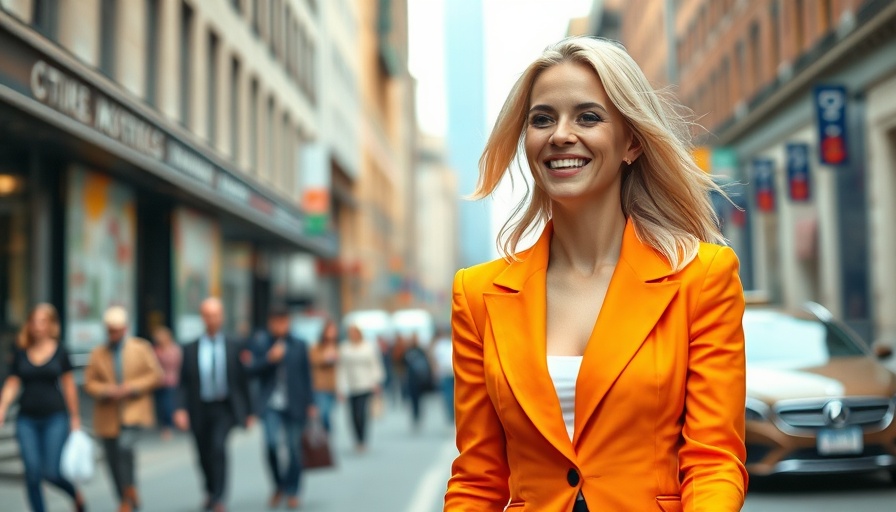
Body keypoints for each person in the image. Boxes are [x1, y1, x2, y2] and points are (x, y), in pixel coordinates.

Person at [443, 37, 747, 512]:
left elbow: (713, 462)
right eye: (542, 119)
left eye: (588, 117)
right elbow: (478, 477)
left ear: (631, 142)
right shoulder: (477, 294)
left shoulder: (701, 276)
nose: (561, 134)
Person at [0, 304, 86, 512]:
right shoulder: (20, 350)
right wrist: (2, 408)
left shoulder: (60, 350)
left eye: (42, 321)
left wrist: (75, 417)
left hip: (55, 417)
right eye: (34, 321)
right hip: (26, 419)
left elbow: (68, 385)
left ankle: (75, 494)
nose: (38, 326)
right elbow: (13, 382)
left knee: (51, 472)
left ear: (51, 324)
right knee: (32, 473)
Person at [173, 297, 253, 512]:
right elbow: (183, 382)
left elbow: (243, 381)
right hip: (199, 407)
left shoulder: (234, 345)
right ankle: (209, 490)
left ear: (222, 316)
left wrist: (249, 411)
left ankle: (219, 496)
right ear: (202, 318)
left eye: (216, 315)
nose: (212, 319)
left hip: (224, 407)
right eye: (208, 315)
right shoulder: (190, 348)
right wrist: (179, 409)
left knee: (218, 448)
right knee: (202, 453)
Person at [84, 306, 164, 512]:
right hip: (108, 413)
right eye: (110, 330)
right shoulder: (98, 353)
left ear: (125, 328)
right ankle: (124, 495)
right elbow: (89, 382)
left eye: (117, 330)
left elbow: (156, 375)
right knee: (111, 458)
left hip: (133, 410)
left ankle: (129, 493)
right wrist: (106, 390)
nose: (114, 334)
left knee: (124, 449)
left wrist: (133, 387)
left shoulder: (140, 348)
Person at [243, 305, 316, 510]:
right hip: (270, 405)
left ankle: (293, 490)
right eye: (276, 322)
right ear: (270, 323)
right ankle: (279, 485)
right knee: (271, 445)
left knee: (294, 449)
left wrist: (311, 403)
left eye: (283, 321)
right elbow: (250, 370)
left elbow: (306, 375)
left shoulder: (299, 344)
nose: (280, 326)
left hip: (295, 403)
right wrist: (269, 359)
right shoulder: (260, 343)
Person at [337, 325, 385, 453]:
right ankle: (357, 439)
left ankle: (363, 439)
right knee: (352, 415)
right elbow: (341, 369)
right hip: (351, 385)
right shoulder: (344, 348)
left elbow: (375, 364)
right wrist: (341, 387)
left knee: (361, 413)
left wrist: (376, 381)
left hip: (366, 384)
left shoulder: (368, 346)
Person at [151, 325, 182, 441]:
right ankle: (164, 424)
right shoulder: (156, 349)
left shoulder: (174, 349)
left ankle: (168, 426)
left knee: (168, 404)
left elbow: (176, 364)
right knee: (161, 405)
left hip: (171, 381)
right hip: (159, 382)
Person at [309, 319, 340, 432]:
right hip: (320, 386)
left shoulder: (338, 346)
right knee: (323, 414)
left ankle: (326, 436)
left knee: (329, 413)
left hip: (333, 386)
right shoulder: (317, 347)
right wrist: (326, 358)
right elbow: (312, 360)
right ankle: (325, 434)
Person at [402, 334, 433, 431]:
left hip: (420, 379)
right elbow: (402, 363)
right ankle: (415, 416)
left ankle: (418, 415)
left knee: (419, 400)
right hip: (411, 380)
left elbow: (427, 363)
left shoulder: (420, 350)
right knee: (413, 400)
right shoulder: (408, 351)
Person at [429, 327, 454, 425]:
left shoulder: (453, 342)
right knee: (447, 395)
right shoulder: (440, 345)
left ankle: (454, 413)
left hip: (454, 373)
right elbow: (435, 360)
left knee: (455, 395)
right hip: (445, 373)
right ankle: (450, 413)